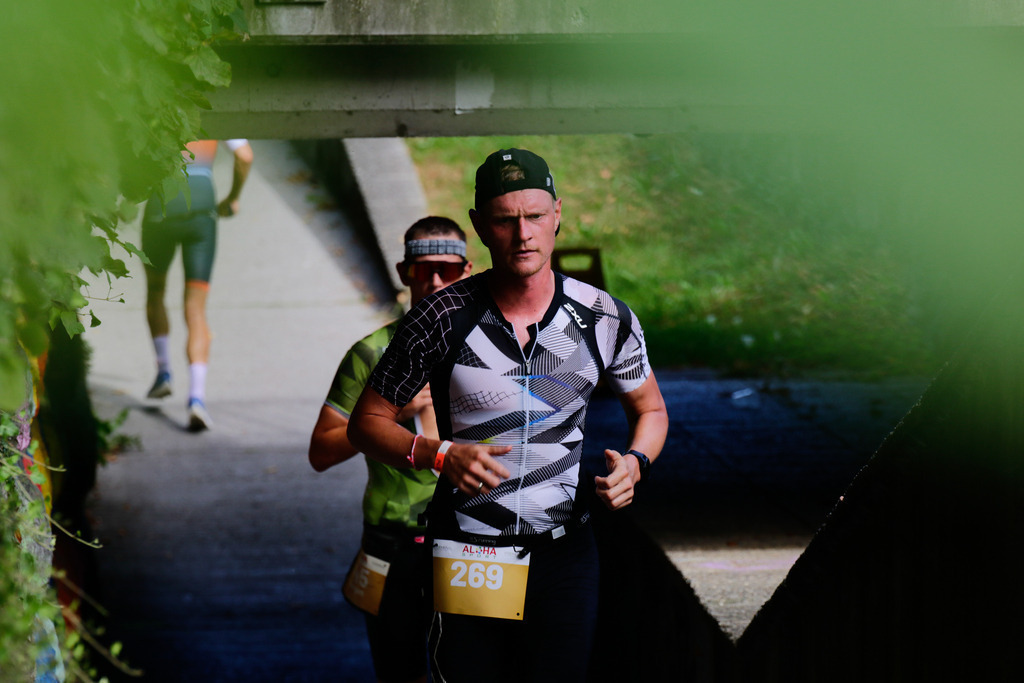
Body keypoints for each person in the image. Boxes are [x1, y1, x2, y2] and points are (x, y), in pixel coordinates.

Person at [348, 148, 669, 682]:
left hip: (564, 554)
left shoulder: (602, 316)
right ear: (480, 226)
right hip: (472, 552)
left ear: (558, 214)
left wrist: (637, 462)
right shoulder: (439, 317)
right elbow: (367, 422)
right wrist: (437, 453)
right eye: (505, 219)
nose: (523, 234)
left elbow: (651, 408)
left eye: (536, 216)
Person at [309, 217, 472, 683]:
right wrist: (389, 419)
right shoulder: (370, 352)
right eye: (424, 270)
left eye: (448, 269)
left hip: (473, 537)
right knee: (400, 672)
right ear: (404, 273)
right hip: (392, 539)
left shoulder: (494, 346)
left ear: (467, 269)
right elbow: (320, 451)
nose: (436, 281)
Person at [141, 139, 253, 431]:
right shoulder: (213, 104)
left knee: (155, 292)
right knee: (196, 309)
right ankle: (197, 399)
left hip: (161, 207)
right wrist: (233, 197)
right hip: (201, 209)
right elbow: (245, 156)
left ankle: (164, 372)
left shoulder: (153, 105)